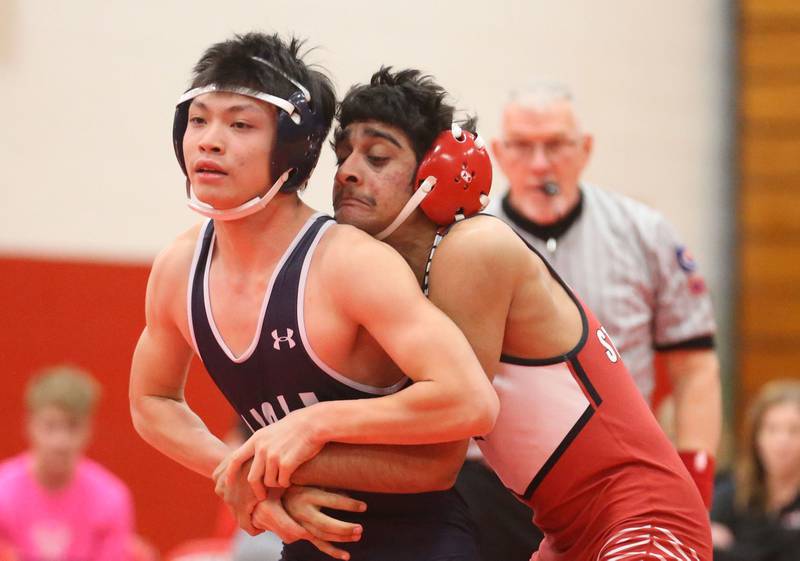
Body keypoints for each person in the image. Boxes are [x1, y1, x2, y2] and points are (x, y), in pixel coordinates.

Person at [226, 67, 713, 561]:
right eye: (343, 155)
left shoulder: (473, 249)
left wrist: (296, 444)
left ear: (434, 175)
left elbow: (435, 455)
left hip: (642, 517)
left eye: (376, 157)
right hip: (566, 535)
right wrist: (276, 474)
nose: (349, 171)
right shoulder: (392, 280)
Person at [128, 33, 498, 561]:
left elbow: (472, 401)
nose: (209, 140)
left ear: (293, 146)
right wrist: (240, 476)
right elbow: (152, 401)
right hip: (306, 538)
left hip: (416, 539)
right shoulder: (177, 269)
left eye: (239, 124)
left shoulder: (347, 263)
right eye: (198, 119)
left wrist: (313, 423)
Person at [445, 81, 723, 560]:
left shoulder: (644, 233)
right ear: (499, 154)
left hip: (612, 482)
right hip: (490, 483)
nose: (539, 163)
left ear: (585, 149)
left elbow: (695, 368)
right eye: (521, 146)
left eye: (554, 145)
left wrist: (695, 480)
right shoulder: (463, 241)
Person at [0, 365, 134, 561]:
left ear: (89, 429)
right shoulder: (2, 492)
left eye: (72, 426)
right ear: (30, 425)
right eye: (50, 426)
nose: (60, 441)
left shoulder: (111, 497)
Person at [711, 380, 800, 561]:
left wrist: (733, 549)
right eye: (772, 429)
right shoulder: (731, 494)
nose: (782, 441)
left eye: (794, 430)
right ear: (756, 438)